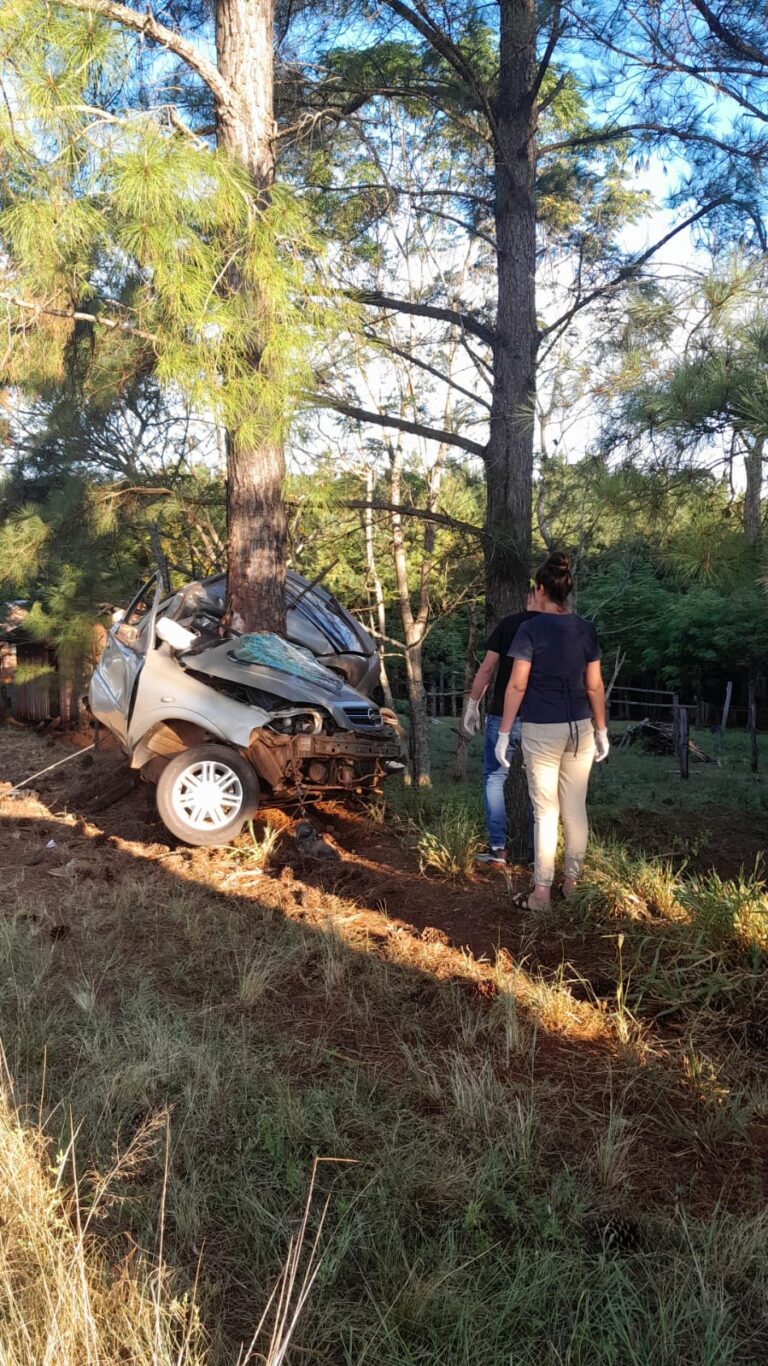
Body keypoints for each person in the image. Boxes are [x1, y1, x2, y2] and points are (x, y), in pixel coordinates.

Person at [495, 552, 609, 910]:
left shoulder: (531, 629)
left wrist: (503, 732)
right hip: (581, 729)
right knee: (575, 809)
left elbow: (516, 686)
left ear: (541, 589)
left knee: (545, 812)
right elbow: (594, 686)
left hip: (542, 729)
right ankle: (573, 887)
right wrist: (602, 729)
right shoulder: (585, 628)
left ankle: (541, 894)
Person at [462, 591, 538, 867]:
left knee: (494, 778)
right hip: (542, 718)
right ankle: (537, 855)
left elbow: (487, 669)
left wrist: (472, 704)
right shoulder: (557, 628)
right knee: (541, 784)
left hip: (502, 714)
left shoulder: (508, 624)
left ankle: (498, 850)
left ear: (530, 596)